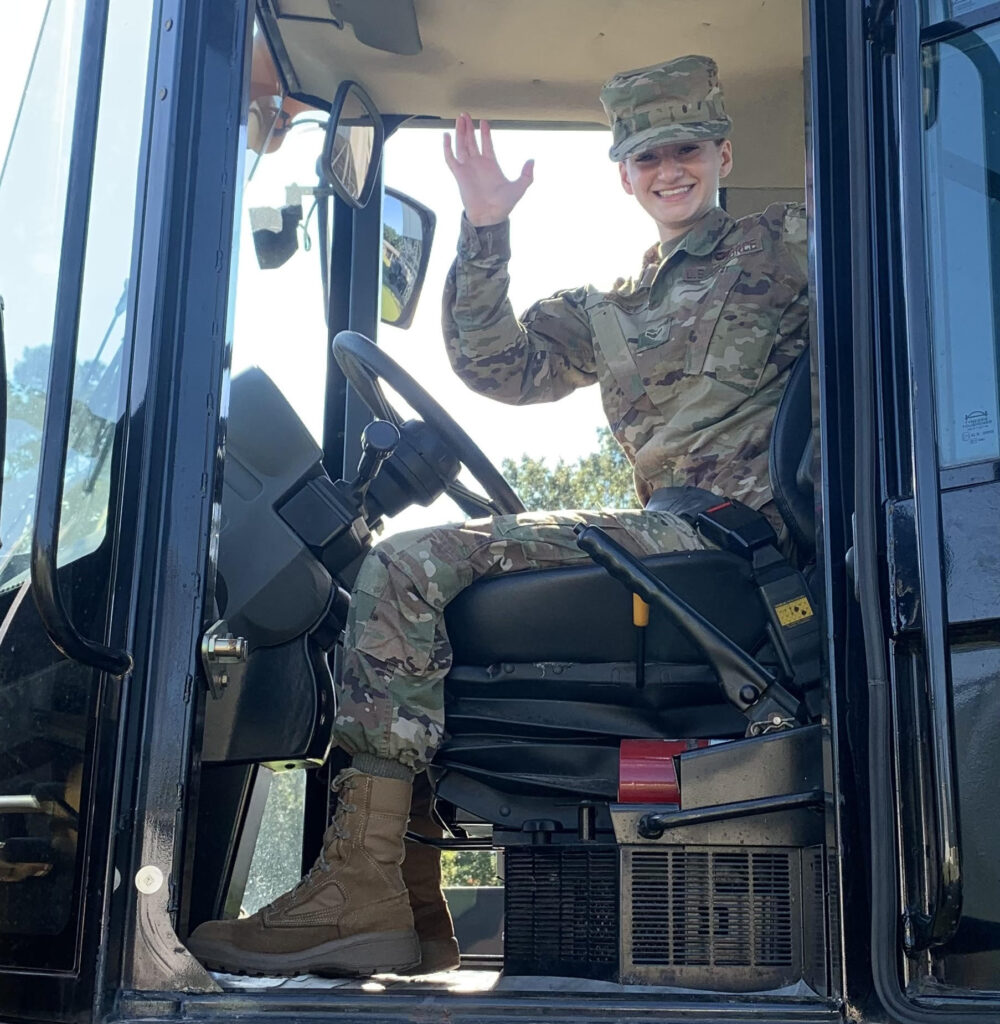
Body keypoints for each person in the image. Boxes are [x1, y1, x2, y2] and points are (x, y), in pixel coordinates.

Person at [188, 54, 808, 979]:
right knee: (430, 596)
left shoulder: (784, 242)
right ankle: (411, 901)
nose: (666, 170)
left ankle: (357, 885)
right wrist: (486, 228)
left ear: (721, 152)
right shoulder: (611, 309)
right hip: (666, 540)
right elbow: (497, 366)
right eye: (644, 158)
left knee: (403, 565)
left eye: (682, 148)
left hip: (725, 538)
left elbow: (907, 263)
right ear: (624, 174)